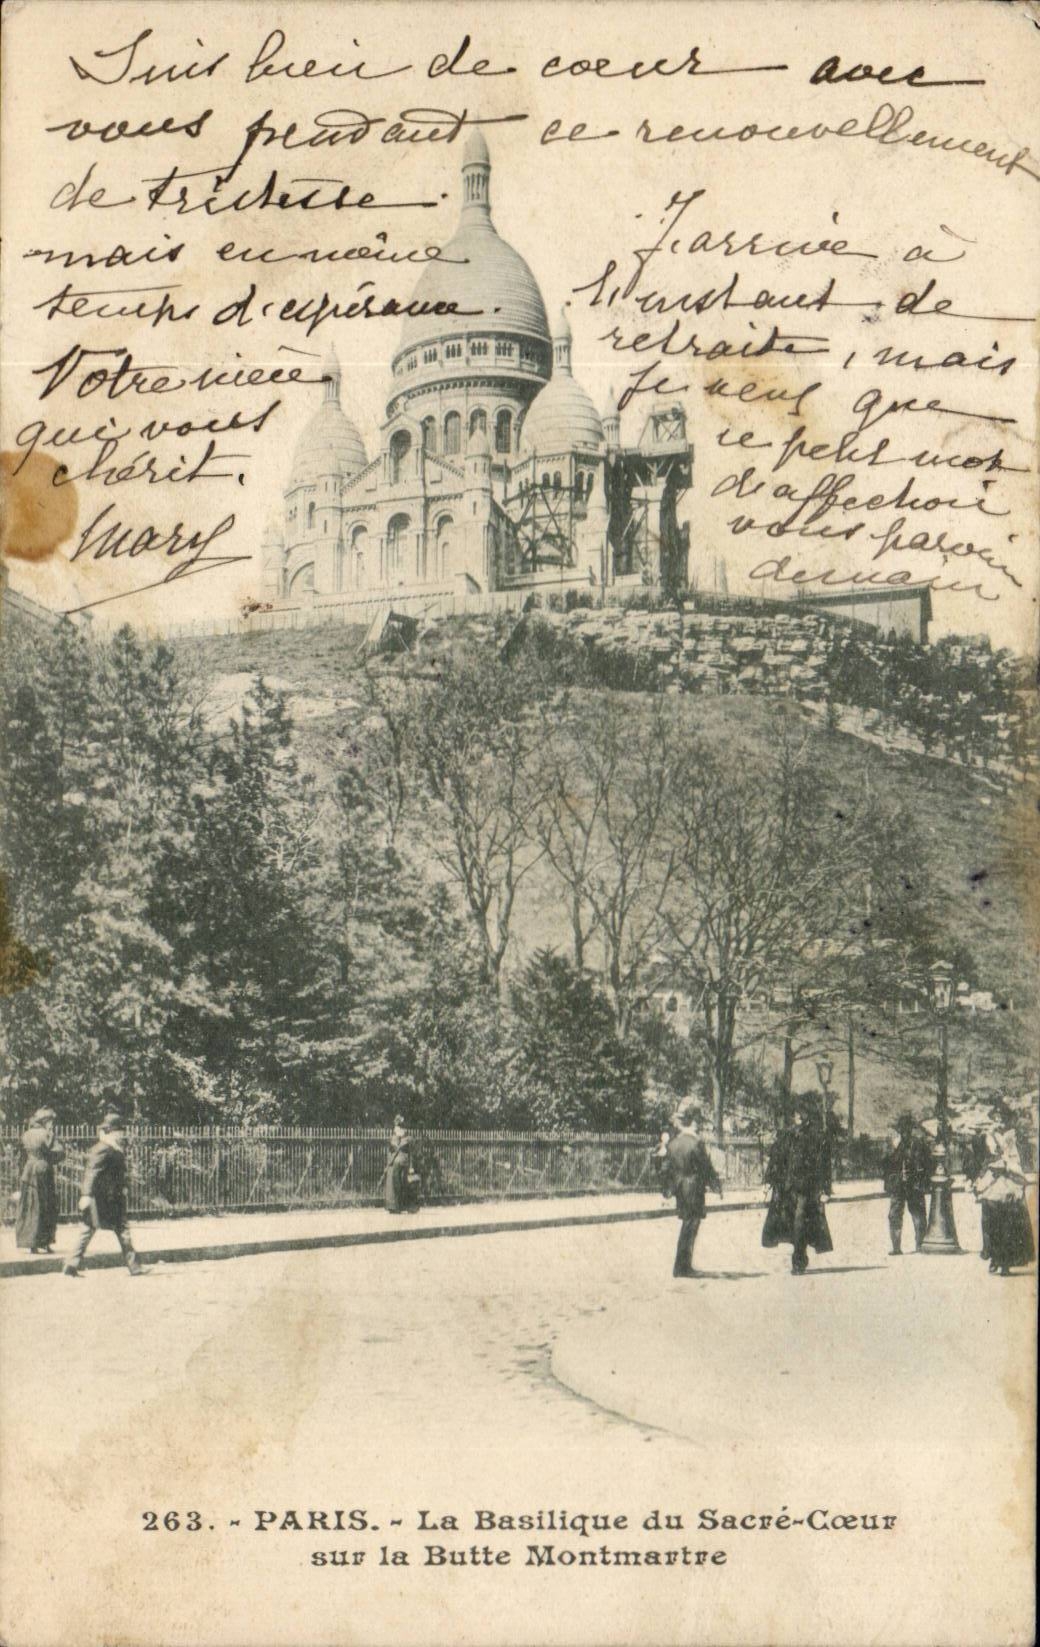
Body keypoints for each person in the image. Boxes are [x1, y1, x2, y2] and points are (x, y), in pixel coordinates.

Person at [63, 1112, 143, 1277]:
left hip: (110, 1198)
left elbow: (116, 1172)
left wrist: (123, 1186)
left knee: (97, 1230)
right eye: (119, 1131)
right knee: (102, 1230)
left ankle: (71, 1265)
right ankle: (135, 1267)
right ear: (111, 1132)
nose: (121, 1134)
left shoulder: (111, 1147)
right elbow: (91, 1172)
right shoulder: (103, 1148)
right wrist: (86, 1194)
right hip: (102, 1199)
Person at [762, 1095, 833, 1274]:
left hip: (807, 1189)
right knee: (790, 1224)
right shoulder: (787, 1135)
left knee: (800, 1222)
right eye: (796, 1113)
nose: (799, 1116)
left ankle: (798, 1261)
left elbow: (824, 1166)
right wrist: (768, 1180)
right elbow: (776, 1159)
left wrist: (825, 1189)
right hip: (787, 1188)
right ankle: (800, 1253)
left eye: (803, 1113)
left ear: (809, 1115)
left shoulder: (817, 1137)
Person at [662, 1104, 723, 1278]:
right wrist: (716, 1185)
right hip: (694, 1189)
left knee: (687, 1225)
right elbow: (706, 1167)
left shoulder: (673, 1143)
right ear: (693, 1123)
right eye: (698, 1122)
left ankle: (682, 1266)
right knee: (691, 1227)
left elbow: (666, 1169)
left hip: (680, 1189)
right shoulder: (696, 1143)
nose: (700, 1126)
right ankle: (682, 1267)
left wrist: (668, 1189)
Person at [974, 1114, 1035, 1276]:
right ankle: (994, 1257)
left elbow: (1015, 1162)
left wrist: (1006, 1165)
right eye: (995, 1119)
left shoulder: (1010, 1138)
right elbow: (985, 1160)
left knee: (1006, 1225)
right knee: (990, 1223)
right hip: (992, 1184)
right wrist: (982, 1175)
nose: (998, 1122)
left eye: (1000, 1119)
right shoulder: (988, 1137)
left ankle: (1005, 1263)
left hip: (1007, 1183)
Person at [15, 1108, 64, 1253]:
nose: (52, 1124)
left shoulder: (26, 1134)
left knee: (29, 1205)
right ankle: (45, 1242)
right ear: (46, 1121)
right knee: (46, 1205)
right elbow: (58, 1153)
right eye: (51, 1121)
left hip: (28, 1171)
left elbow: (21, 1156)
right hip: (43, 1171)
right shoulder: (47, 1134)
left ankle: (31, 1244)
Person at [882, 1113, 932, 1255]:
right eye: (902, 1129)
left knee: (918, 1214)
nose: (905, 1132)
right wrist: (894, 1149)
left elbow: (927, 1163)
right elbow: (885, 1163)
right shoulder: (894, 1144)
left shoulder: (917, 1144)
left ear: (910, 1129)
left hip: (914, 1184)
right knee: (896, 1215)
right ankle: (897, 1247)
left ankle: (920, 1244)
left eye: (907, 1129)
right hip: (899, 1185)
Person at [385, 1117, 419, 1214]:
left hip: (403, 1163)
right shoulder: (394, 1138)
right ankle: (396, 1206)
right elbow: (390, 1151)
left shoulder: (407, 1139)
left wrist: (411, 1166)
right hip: (395, 1163)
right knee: (396, 1185)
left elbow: (411, 1153)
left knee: (404, 1184)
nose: (398, 1128)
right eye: (397, 1126)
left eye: (399, 1125)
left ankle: (406, 1206)